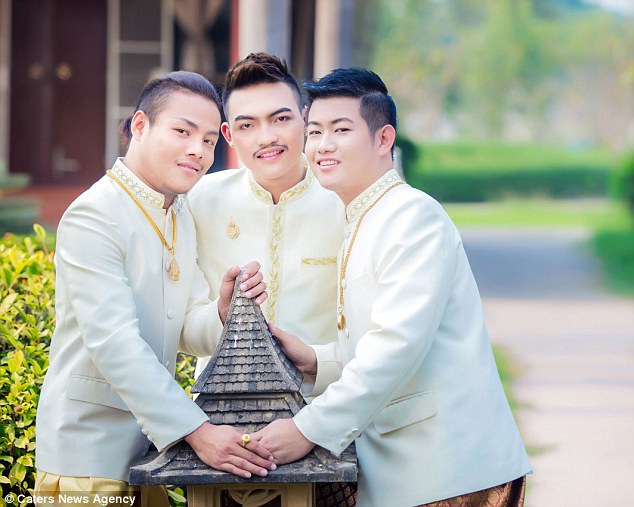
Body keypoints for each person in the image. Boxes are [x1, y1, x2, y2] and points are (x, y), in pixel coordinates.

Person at [254, 68, 532, 507]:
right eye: (315, 132)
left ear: (384, 139)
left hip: (448, 473)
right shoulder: (364, 217)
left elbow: (397, 345)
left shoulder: (412, 216)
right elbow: (377, 341)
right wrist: (316, 359)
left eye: (341, 130)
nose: (323, 145)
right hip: (410, 475)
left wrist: (309, 429)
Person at [34, 71, 276, 507]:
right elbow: (115, 344)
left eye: (209, 140)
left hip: (150, 455)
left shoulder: (178, 212)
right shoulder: (94, 214)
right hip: (87, 457)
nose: (198, 150)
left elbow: (185, 328)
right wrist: (198, 432)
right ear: (140, 126)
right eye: (183, 131)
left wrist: (222, 311)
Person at [187, 52, 345, 386]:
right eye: (247, 125)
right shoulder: (199, 200)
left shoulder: (345, 200)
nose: (267, 138)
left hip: (325, 400)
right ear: (229, 134)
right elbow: (180, 324)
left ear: (305, 119)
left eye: (281, 119)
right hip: (220, 405)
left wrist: (321, 365)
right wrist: (220, 313)